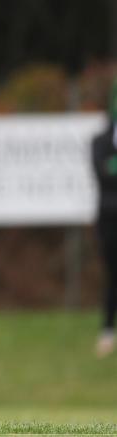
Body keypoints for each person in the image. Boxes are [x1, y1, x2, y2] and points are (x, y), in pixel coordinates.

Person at [93, 79, 117, 358]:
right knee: (113, 276)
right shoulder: (99, 142)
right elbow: (104, 174)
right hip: (109, 222)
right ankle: (107, 331)